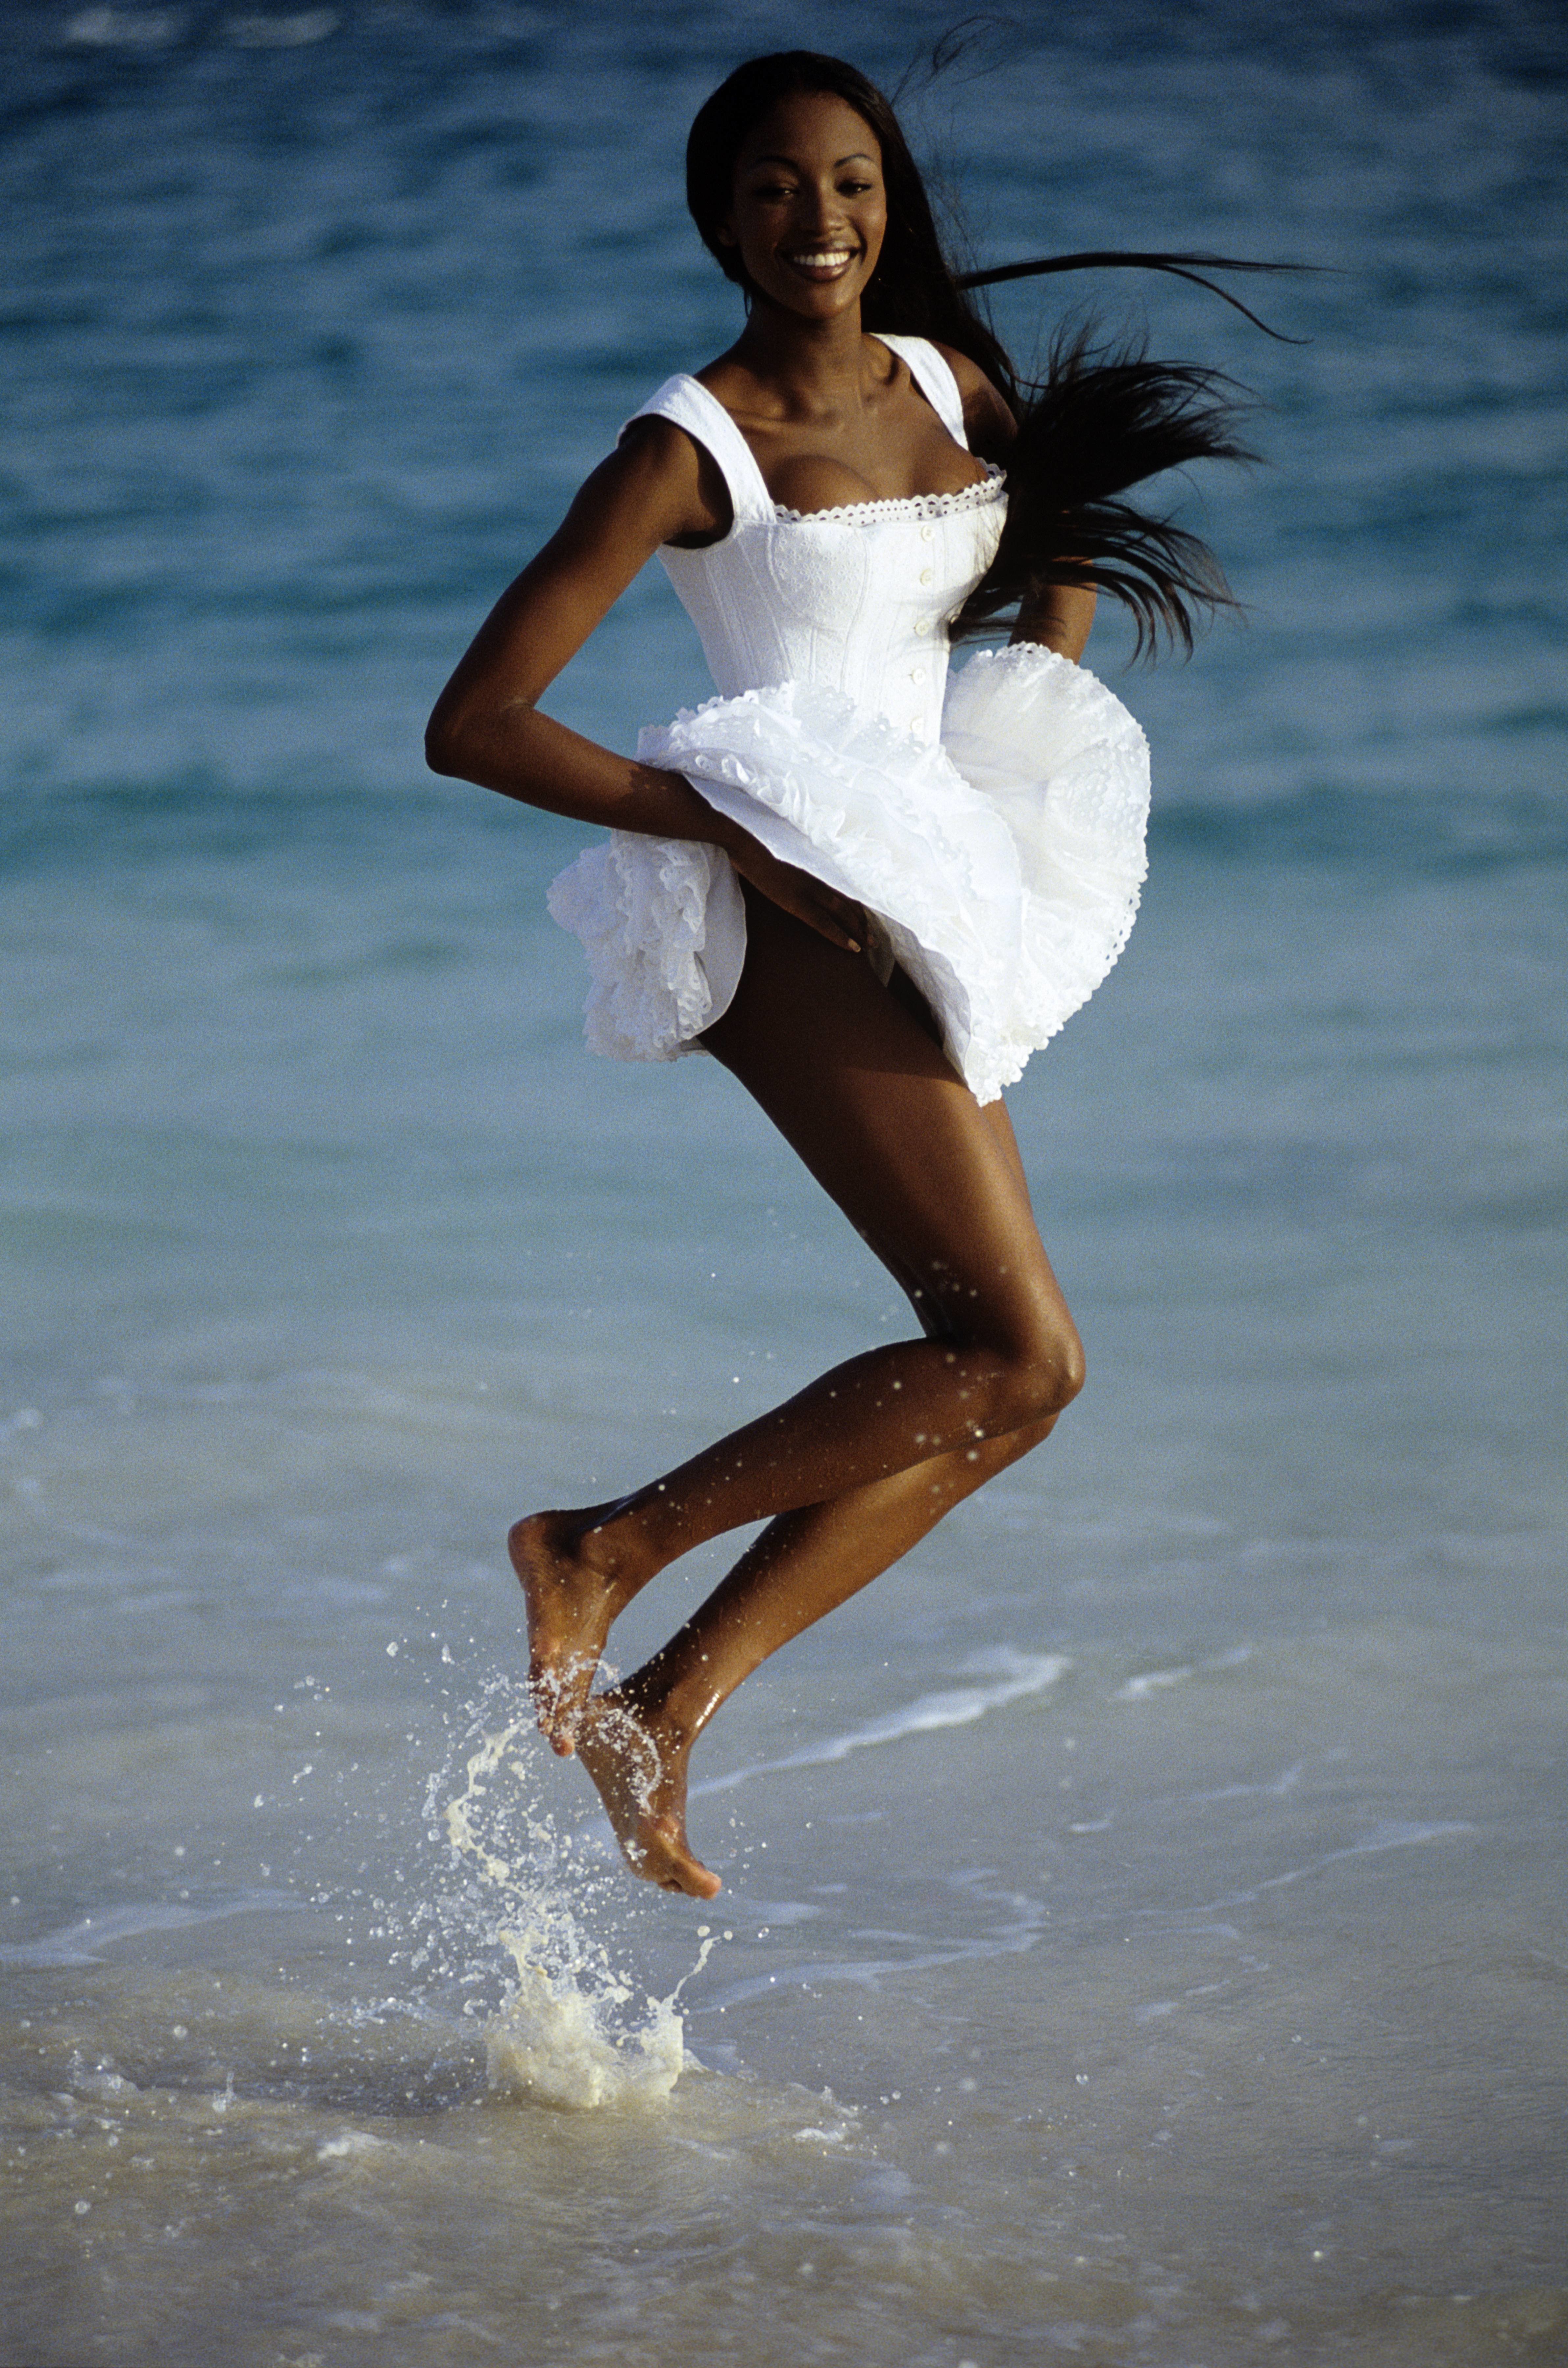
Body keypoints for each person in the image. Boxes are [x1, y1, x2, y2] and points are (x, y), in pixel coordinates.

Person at [426, 51, 1262, 1900]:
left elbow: (1045, 557)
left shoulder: (954, 381)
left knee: (1022, 1386)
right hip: (781, 908)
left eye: (855, 185)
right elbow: (475, 725)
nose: (825, 222)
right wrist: (737, 831)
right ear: (721, 216)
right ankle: (596, 1546)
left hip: (922, 871)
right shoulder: (690, 443)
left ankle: (667, 1699)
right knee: (1018, 1348)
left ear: (891, 202)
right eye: (782, 190)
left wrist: (1018, 710)